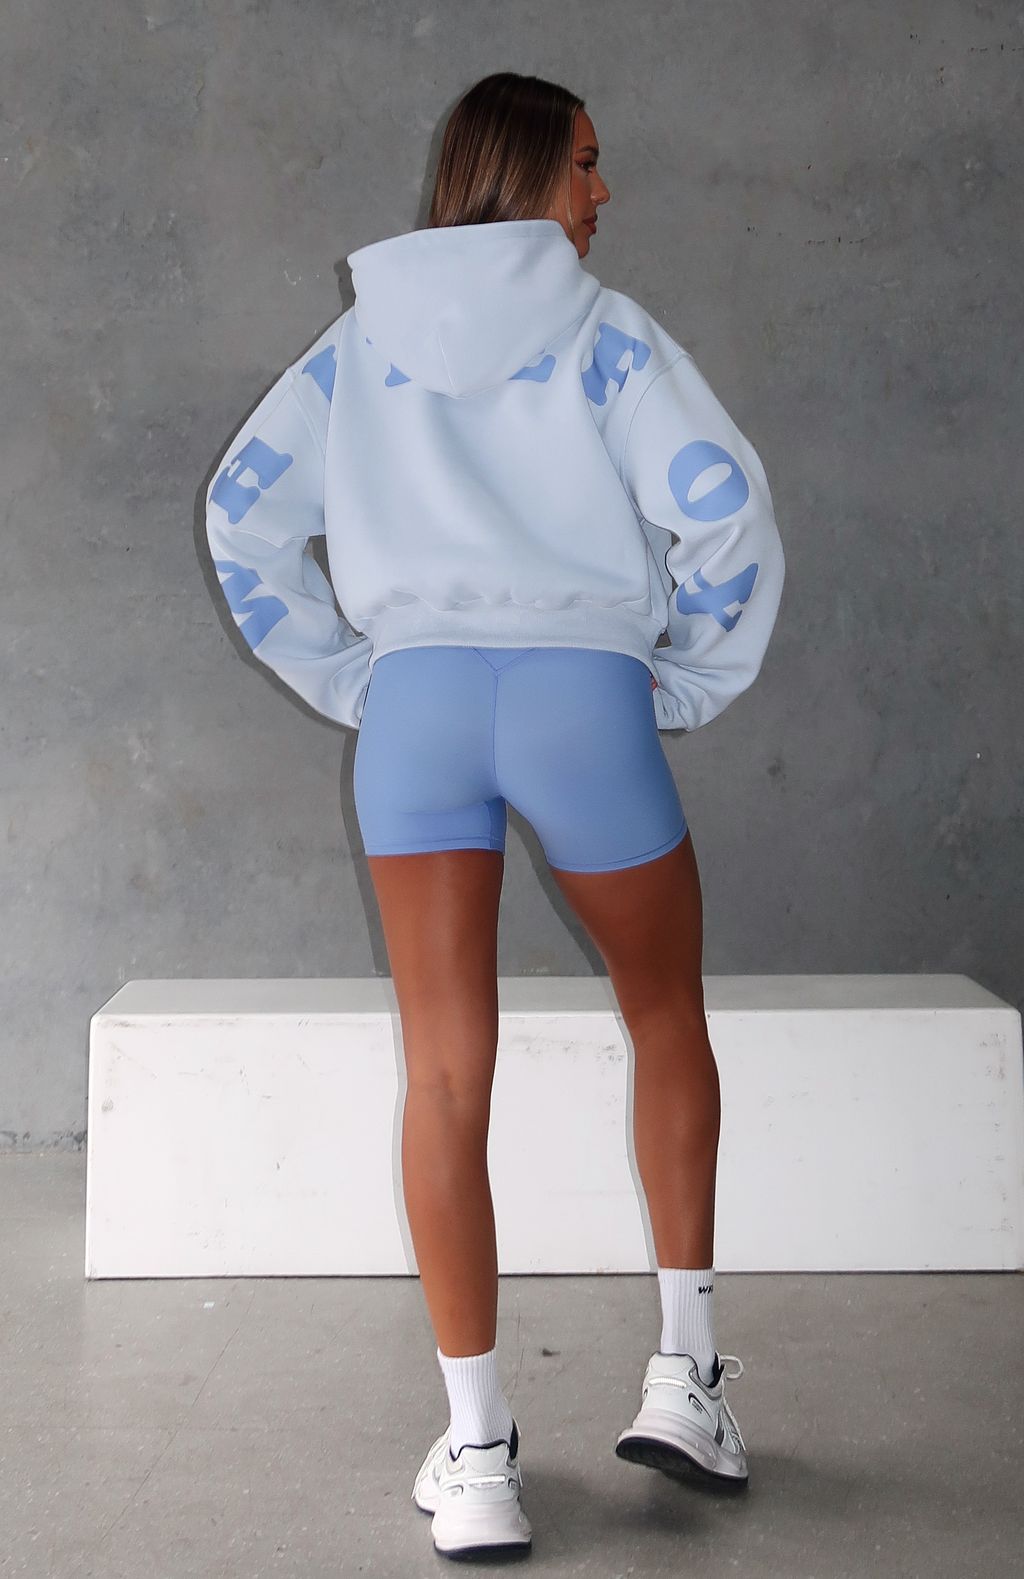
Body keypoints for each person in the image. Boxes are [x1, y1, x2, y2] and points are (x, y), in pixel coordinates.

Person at [204, 71, 785, 1561]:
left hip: (418, 711)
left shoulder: (357, 342)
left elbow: (242, 512)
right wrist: (685, 676)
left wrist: (355, 673)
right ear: (526, 171)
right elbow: (722, 503)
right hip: (583, 701)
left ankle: (477, 1455)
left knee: (445, 1075)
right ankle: (688, 1382)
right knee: (665, 1014)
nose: (604, 193)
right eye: (586, 164)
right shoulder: (607, 333)